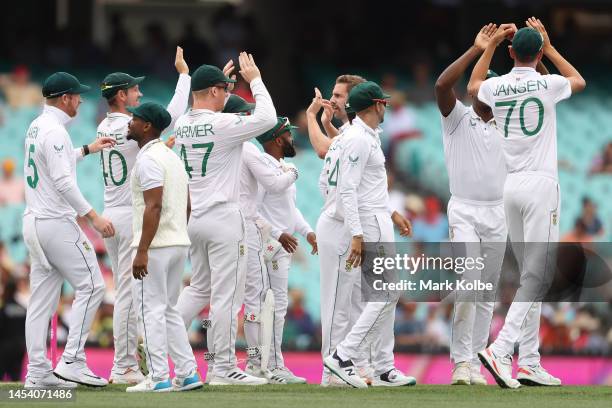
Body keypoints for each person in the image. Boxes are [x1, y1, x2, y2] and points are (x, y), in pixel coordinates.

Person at [468, 18, 586, 388]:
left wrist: (486, 48)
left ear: (510, 52)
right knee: (539, 275)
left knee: (528, 277)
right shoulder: (548, 83)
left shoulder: (497, 86)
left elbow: (472, 86)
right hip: (540, 185)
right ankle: (501, 349)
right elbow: (578, 81)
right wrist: (550, 48)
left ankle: (530, 362)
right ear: (537, 54)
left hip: (511, 187)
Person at [174, 52, 276, 385]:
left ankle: (162, 340)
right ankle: (222, 367)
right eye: (224, 89)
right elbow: (267, 118)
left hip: (196, 218)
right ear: (216, 91)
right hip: (224, 219)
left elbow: (203, 103)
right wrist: (255, 80)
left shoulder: (184, 123)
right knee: (226, 297)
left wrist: (222, 84)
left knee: (198, 288)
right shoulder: (222, 125)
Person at [97, 46, 191, 385]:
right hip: (129, 216)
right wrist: (184, 76)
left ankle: (128, 362)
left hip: (114, 210)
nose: (139, 94)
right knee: (130, 295)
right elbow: (170, 115)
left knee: (133, 294)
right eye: (134, 90)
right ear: (121, 95)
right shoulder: (128, 126)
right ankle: (124, 365)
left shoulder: (103, 125)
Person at [22, 72, 116, 389]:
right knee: (93, 286)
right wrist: (93, 217)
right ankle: (72, 361)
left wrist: (87, 149)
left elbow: (52, 164)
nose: (80, 100)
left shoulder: (38, 126)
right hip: (56, 223)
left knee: (41, 302)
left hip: (34, 223)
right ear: (65, 98)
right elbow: (62, 181)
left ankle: (37, 372)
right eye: (77, 96)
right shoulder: (56, 132)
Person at [323, 81, 415, 388]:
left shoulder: (364, 136)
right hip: (369, 223)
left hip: (377, 218)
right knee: (387, 293)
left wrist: (391, 212)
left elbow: (365, 187)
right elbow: (346, 189)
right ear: (375, 105)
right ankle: (344, 355)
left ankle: (383, 367)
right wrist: (358, 234)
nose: (386, 107)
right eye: (383, 103)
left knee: (386, 294)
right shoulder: (359, 139)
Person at [434, 23, 509, 386]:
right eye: (485, 88)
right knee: (469, 281)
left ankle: (476, 361)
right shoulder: (457, 118)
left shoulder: (507, 125)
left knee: (486, 292)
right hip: (464, 209)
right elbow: (441, 85)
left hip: (498, 212)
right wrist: (479, 49)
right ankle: (460, 361)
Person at [221, 98, 300, 384]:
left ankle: (231, 362)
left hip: (228, 225)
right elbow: (263, 200)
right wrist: (294, 170)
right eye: (244, 115)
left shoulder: (229, 148)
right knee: (255, 301)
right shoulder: (252, 153)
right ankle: (258, 362)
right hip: (250, 232)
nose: (248, 120)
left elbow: (280, 208)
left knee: (218, 297)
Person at [125, 102, 202, 393]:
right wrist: (176, 232)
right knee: (168, 309)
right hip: (177, 242)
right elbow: (188, 205)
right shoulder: (173, 157)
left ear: (147, 126)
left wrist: (143, 249)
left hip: (155, 246)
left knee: (151, 310)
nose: (129, 123)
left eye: (134, 119)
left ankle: (158, 376)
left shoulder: (148, 160)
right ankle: (187, 373)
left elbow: (153, 206)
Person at [255, 116, 316, 384]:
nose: (293, 138)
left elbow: (290, 210)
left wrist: (308, 231)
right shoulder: (262, 168)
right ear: (278, 139)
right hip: (265, 244)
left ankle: (272, 364)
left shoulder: (282, 165)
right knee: (261, 305)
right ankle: (263, 364)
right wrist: (278, 234)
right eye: (289, 135)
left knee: (277, 307)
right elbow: (253, 210)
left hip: (281, 246)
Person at [305, 75, 366, 158]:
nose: (331, 100)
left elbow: (323, 150)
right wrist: (326, 123)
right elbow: (341, 146)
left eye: (337, 96)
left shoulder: (360, 129)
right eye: (333, 95)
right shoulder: (355, 128)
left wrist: (311, 114)